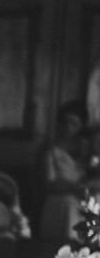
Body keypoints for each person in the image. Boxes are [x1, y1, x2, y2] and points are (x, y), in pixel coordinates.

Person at [39, 101, 89, 243]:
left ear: (81, 126)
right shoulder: (51, 150)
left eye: (74, 123)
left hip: (84, 198)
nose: (68, 127)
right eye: (65, 122)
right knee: (69, 203)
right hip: (60, 199)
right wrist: (74, 188)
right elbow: (49, 184)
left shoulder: (88, 148)